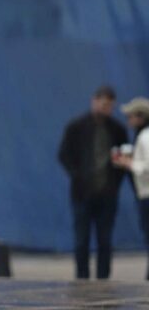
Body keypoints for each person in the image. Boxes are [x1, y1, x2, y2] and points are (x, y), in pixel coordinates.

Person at [58, 85, 128, 280]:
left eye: (110, 105)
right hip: (82, 195)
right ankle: (82, 279)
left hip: (107, 195)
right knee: (82, 240)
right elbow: (64, 155)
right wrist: (77, 176)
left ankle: (103, 279)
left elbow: (123, 159)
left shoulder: (117, 130)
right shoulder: (76, 127)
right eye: (103, 103)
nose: (106, 108)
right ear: (94, 101)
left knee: (104, 241)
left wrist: (114, 184)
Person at [110, 96, 149, 279]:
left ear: (141, 117)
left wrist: (129, 163)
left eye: (131, 116)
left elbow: (147, 167)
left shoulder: (145, 136)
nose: (129, 120)